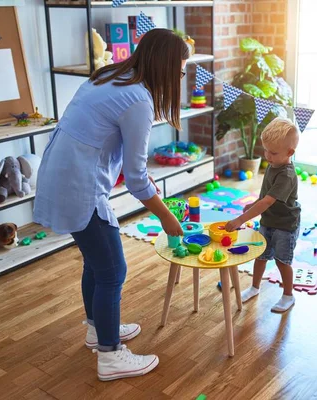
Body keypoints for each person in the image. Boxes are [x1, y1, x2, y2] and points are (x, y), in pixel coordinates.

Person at [33, 29, 186, 381]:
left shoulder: (110, 75)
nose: (180, 78)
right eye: (179, 70)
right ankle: (111, 355)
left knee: (98, 263)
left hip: (63, 171)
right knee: (113, 271)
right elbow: (135, 177)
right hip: (78, 184)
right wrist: (166, 218)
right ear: (164, 65)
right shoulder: (138, 100)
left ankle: (97, 330)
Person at [225, 118, 301, 313]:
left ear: (290, 153)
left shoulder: (287, 175)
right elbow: (265, 195)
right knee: (261, 256)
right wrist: (253, 204)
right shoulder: (273, 164)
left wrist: (241, 220)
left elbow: (268, 201)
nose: (267, 155)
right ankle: (254, 287)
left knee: (282, 261)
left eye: (273, 152)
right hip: (268, 220)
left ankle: (288, 295)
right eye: (265, 150)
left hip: (285, 225)